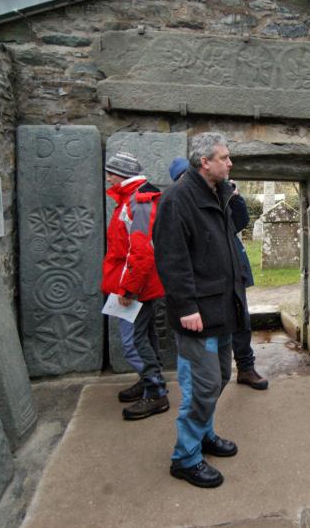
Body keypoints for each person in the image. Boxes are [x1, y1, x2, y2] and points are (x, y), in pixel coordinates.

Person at [153, 134, 248, 488]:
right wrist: (186, 307)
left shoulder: (219, 193)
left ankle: (204, 434)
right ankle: (186, 457)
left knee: (220, 377)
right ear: (204, 162)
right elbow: (171, 259)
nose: (230, 163)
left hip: (222, 308)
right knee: (200, 387)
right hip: (198, 315)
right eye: (224, 157)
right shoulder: (178, 199)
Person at [168, 157, 269, 390]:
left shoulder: (218, 194)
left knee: (241, 320)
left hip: (232, 269)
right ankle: (207, 382)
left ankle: (246, 367)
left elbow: (239, 222)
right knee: (208, 340)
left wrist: (235, 197)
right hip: (204, 281)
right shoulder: (180, 203)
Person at [102, 152, 169, 420]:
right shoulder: (131, 199)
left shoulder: (138, 201)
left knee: (134, 342)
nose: (108, 178)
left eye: (111, 173)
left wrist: (128, 289)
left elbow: (141, 251)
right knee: (145, 336)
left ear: (123, 174)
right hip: (135, 282)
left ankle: (156, 392)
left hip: (136, 286)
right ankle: (148, 381)